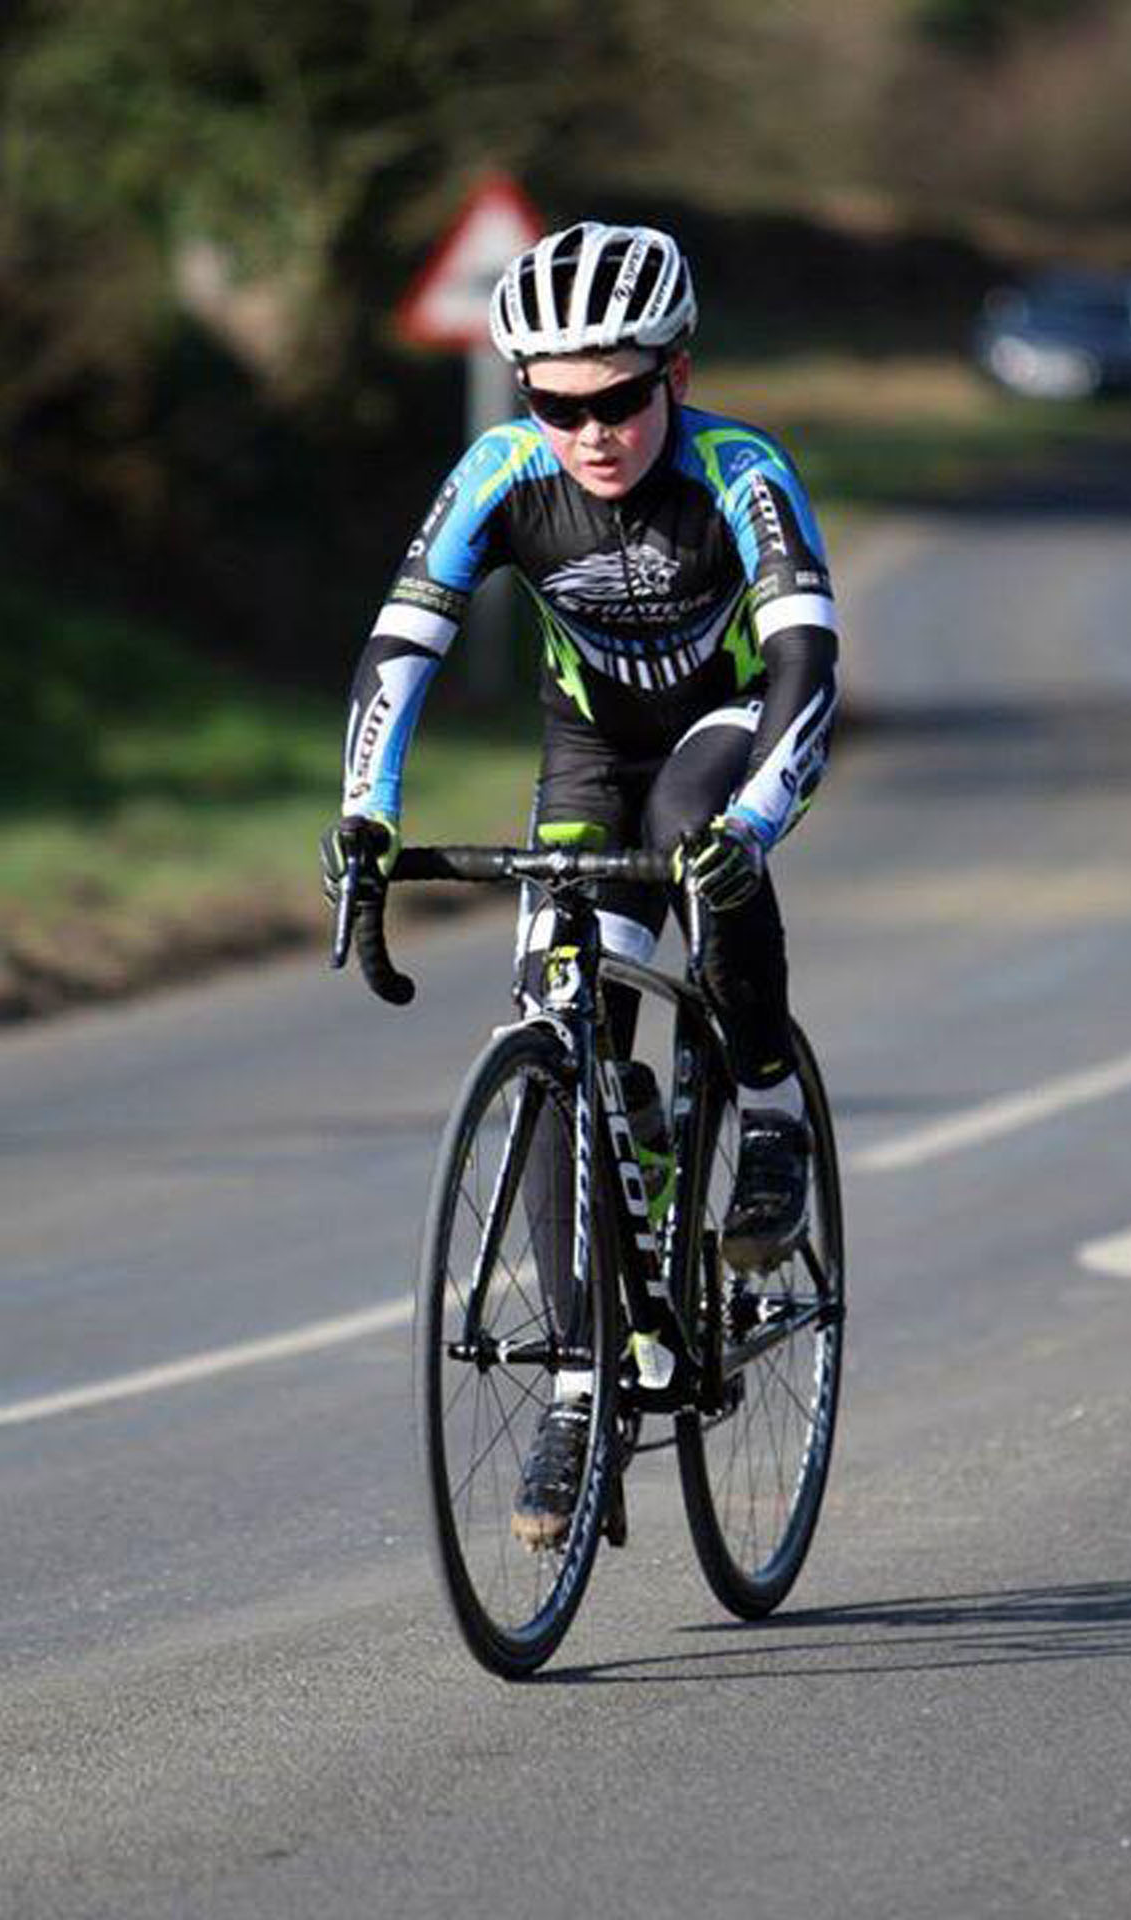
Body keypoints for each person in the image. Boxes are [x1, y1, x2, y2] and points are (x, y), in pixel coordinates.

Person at [323, 221, 839, 1549]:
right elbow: (400, 648)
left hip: (732, 723)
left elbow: (806, 666)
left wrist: (756, 820)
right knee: (558, 1015)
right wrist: (367, 817)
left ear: (678, 373)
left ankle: (767, 1105)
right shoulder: (501, 470)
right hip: (588, 748)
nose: (591, 432)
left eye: (618, 400)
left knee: (692, 828)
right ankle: (579, 1383)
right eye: (558, 407)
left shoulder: (741, 471)